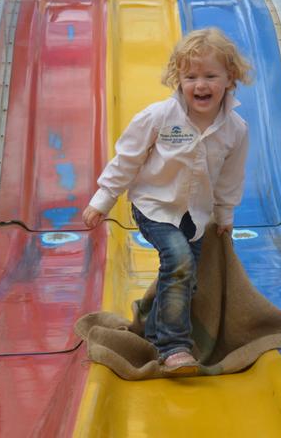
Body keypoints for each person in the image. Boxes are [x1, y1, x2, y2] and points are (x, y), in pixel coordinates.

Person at [82, 27, 251, 374]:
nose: (200, 85)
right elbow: (127, 159)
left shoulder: (236, 129)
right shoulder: (159, 117)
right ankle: (174, 347)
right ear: (178, 78)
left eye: (210, 76)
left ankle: (154, 326)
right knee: (178, 262)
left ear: (229, 77)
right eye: (190, 76)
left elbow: (230, 178)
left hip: (197, 214)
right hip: (155, 206)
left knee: (185, 277)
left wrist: (224, 214)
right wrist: (103, 199)